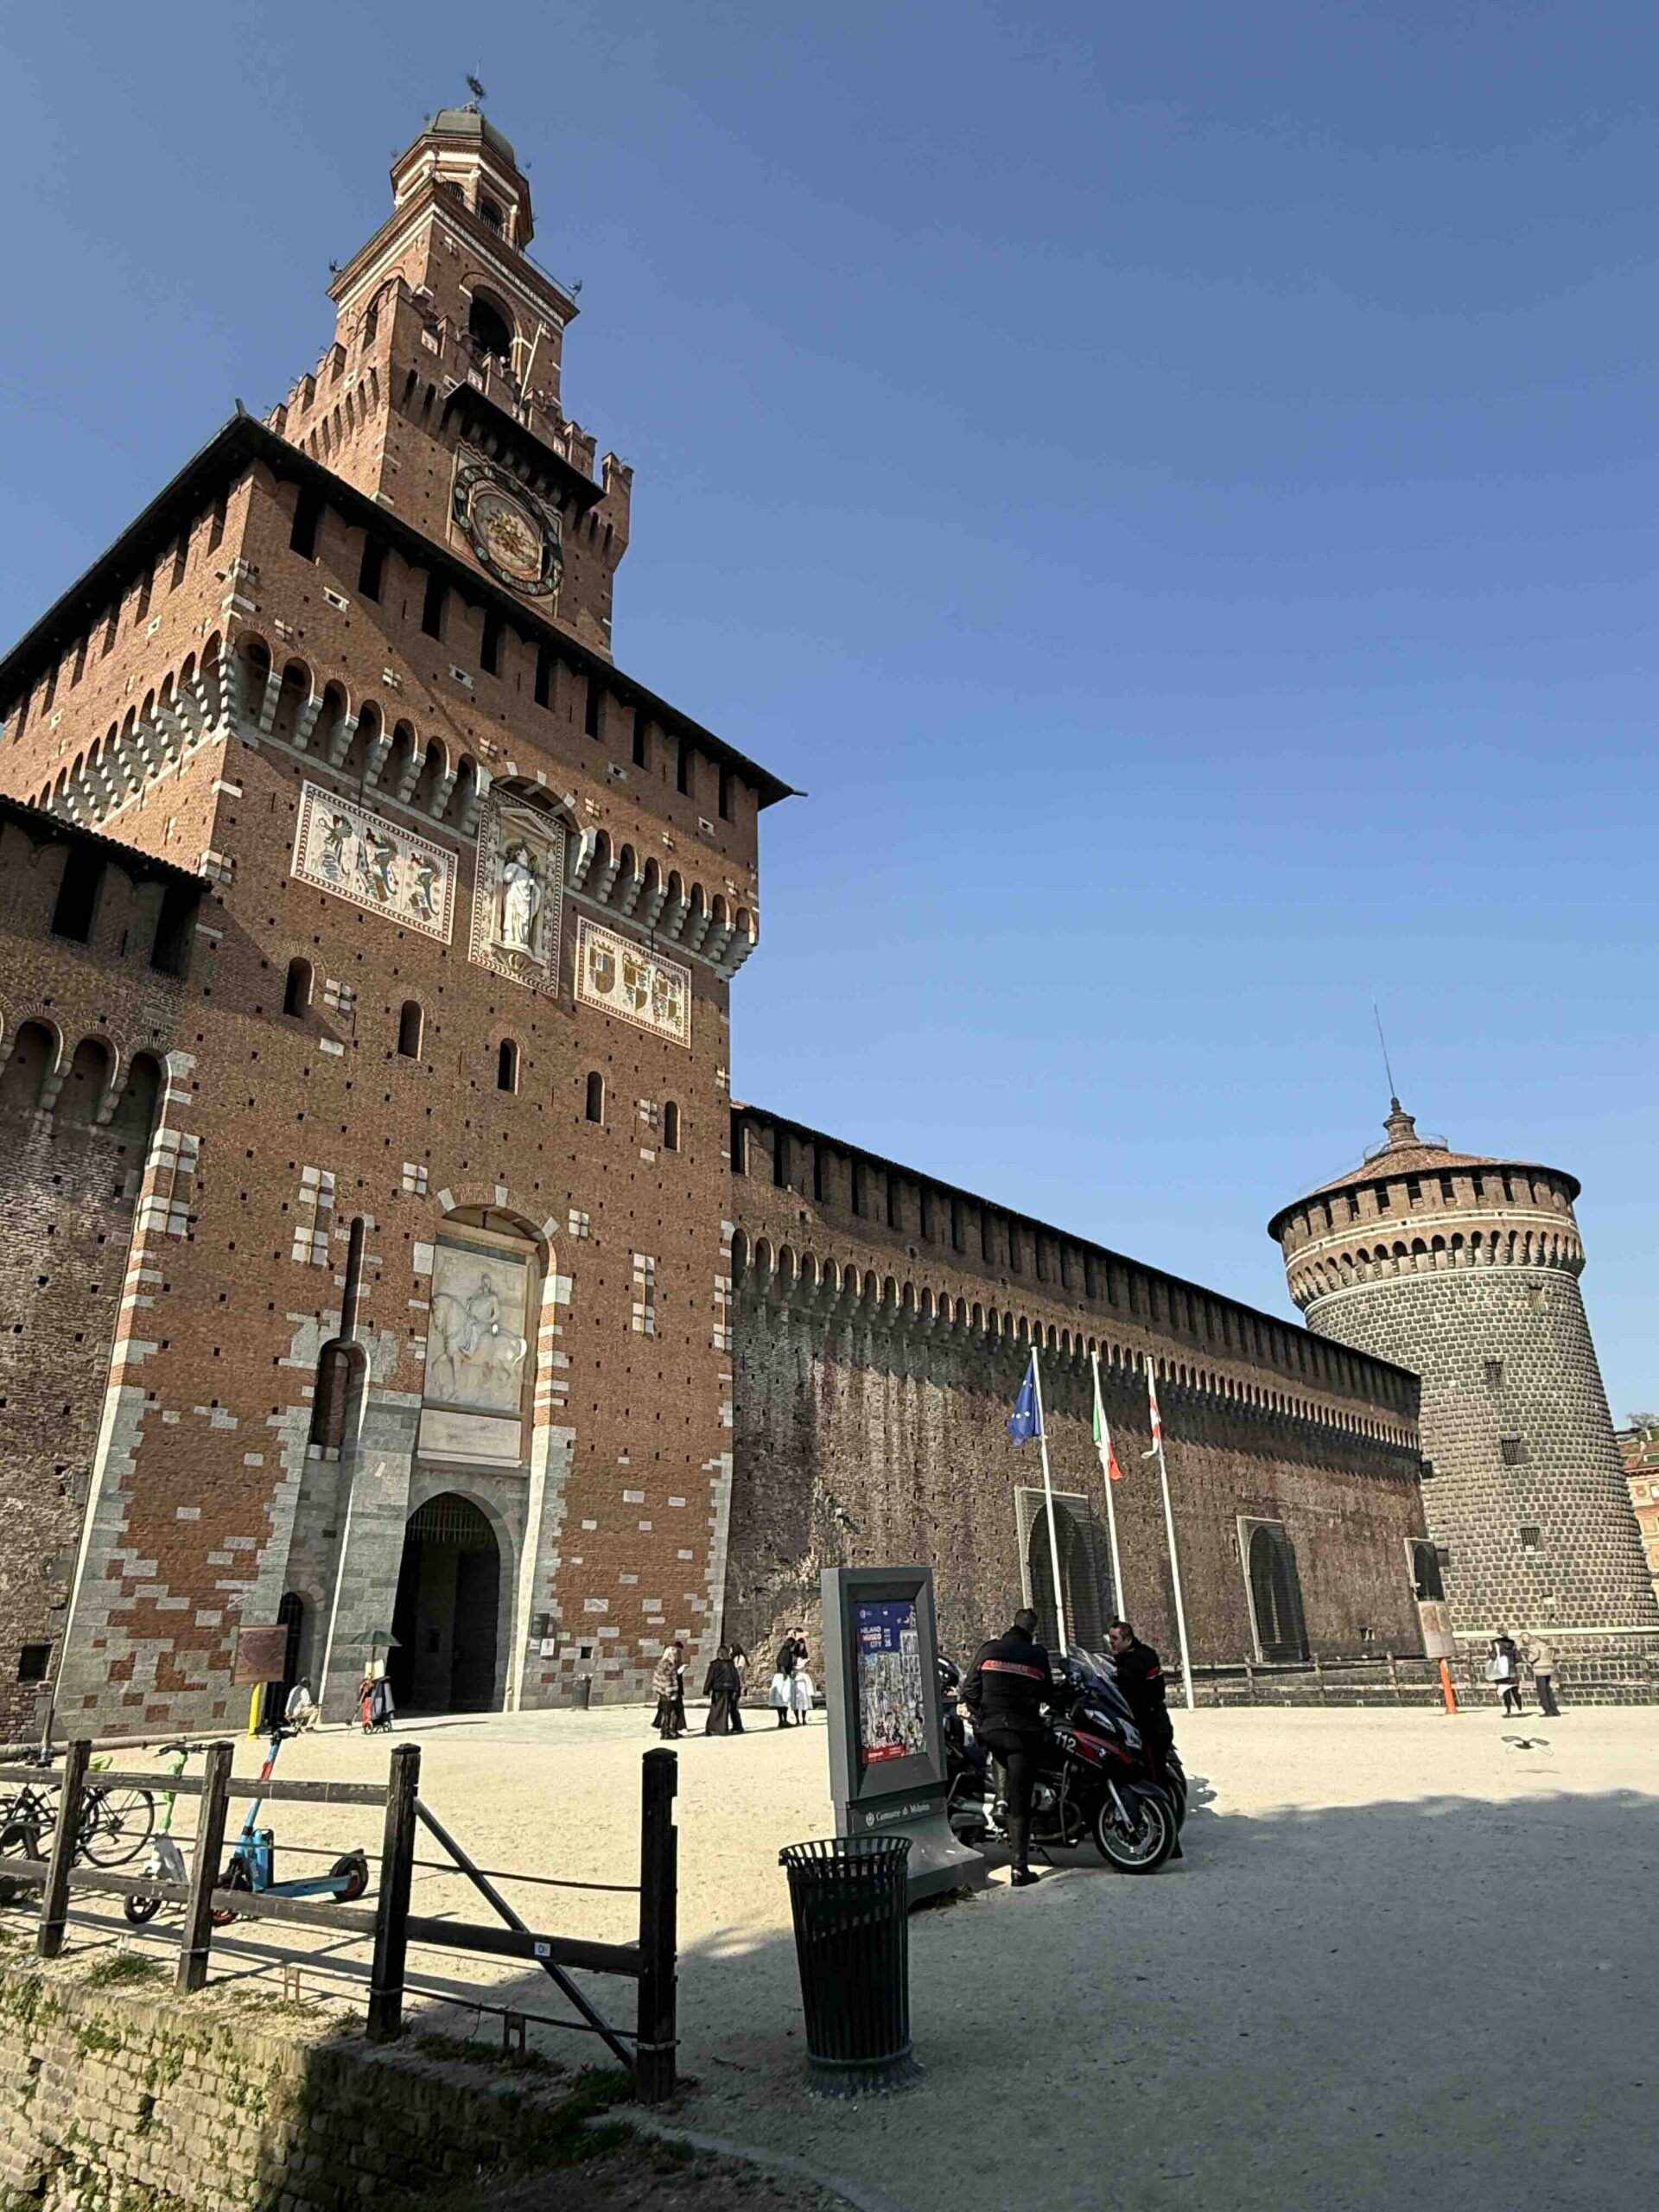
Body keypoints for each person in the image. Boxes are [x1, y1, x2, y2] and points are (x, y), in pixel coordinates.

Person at [962, 1606, 1059, 1888]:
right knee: (1022, 1803)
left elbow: (970, 1691)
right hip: (1022, 1734)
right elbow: (1048, 1693)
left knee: (1000, 1751)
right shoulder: (1037, 1655)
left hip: (991, 1731)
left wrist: (983, 1715)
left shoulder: (989, 1649)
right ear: (1033, 1631)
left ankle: (999, 1802)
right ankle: (1019, 1869)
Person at [1107, 1619, 1174, 1781]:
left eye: (1115, 1639)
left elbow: (1121, 1680)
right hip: (1150, 1718)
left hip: (1148, 1723)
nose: (1111, 1643)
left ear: (1128, 1640)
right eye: (1110, 1639)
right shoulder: (1136, 1654)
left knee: (1152, 1770)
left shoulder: (1138, 1658)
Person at [704, 1646, 744, 1735]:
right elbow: (735, 1678)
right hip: (729, 1689)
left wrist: (706, 1689)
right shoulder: (730, 1664)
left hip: (718, 1689)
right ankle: (734, 1727)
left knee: (716, 1709)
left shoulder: (714, 1664)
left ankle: (715, 1728)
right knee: (730, 1709)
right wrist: (736, 1690)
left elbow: (710, 1678)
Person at [1488, 1632, 1525, 1717]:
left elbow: (1493, 1657)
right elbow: (1518, 1658)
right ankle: (1519, 1709)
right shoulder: (1512, 1644)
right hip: (1512, 1670)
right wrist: (1511, 1663)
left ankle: (1509, 1711)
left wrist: (1490, 1651)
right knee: (1515, 1689)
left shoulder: (1496, 1644)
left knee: (1505, 1691)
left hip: (1502, 1671)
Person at [652, 1643, 684, 1738]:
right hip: (669, 1693)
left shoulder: (661, 1664)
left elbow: (658, 1679)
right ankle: (669, 1732)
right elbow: (670, 1681)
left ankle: (665, 1732)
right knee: (675, 1712)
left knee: (667, 1713)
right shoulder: (670, 1666)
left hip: (662, 1692)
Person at [1528, 1633, 1560, 1718]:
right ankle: (1555, 1710)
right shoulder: (1545, 1645)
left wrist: (1528, 1659)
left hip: (1540, 1669)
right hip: (1548, 1668)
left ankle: (1548, 1710)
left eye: (1524, 1637)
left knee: (1542, 1691)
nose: (1524, 1640)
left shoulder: (1533, 1645)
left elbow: (1533, 1656)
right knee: (1548, 1690)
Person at [789, 1650, 815, 1726]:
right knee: (796, 1701)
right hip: (796, 1682)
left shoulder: (803, 1661)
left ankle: (802, 1719)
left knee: (803, 1701)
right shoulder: (794, 1661)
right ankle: (798, 1720)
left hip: (802, 1682)